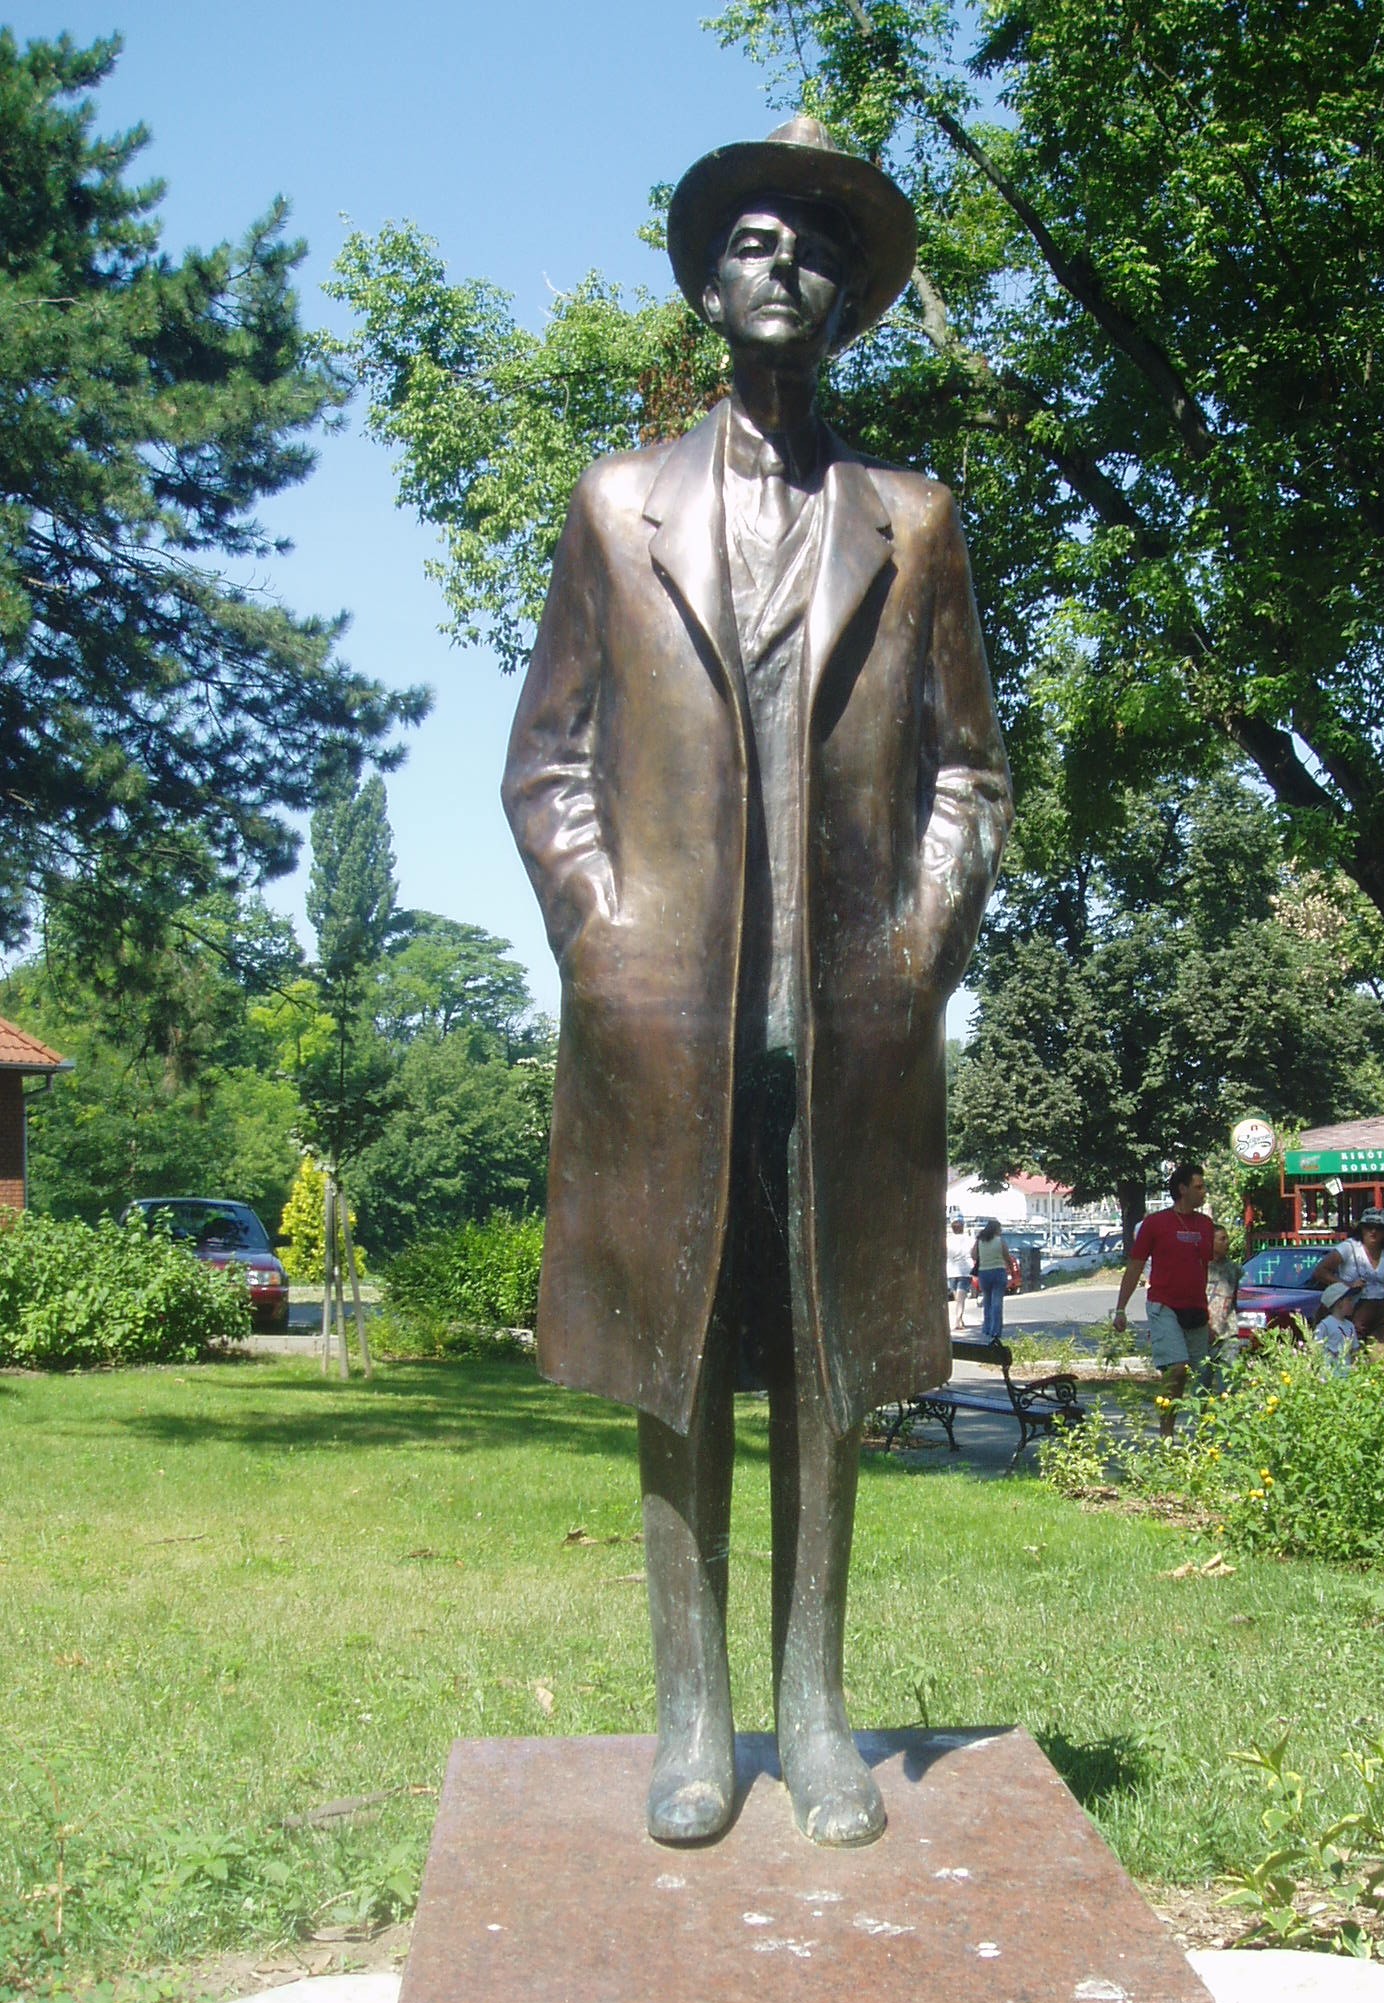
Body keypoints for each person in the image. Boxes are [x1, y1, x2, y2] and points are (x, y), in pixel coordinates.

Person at [503, 116, 1012, 1850]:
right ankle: (689, 1713)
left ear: (850, 299)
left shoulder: (914, 522)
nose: (779, 262)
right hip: (666, 1025)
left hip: (846, 1024)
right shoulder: (616, 506)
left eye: (813, 245)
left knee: (823, 1370)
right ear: (708, 283)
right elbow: (547, 761)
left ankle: (812, 1708)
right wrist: (602, 936)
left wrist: (914, 949)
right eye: (749, 238)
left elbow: (968, 775)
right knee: (673, 1369)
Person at [1113, 1164, 1215, 1438]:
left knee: (1203, 1376)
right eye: (1198, 1187)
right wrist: (1121, 1309)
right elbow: (1135, 1265)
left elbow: (1206, 1270)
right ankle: (1166, 1433)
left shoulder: (1206, 1225)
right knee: (1177, 1368)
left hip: (1196, 1309)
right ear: (1182, 1189)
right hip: (1164, 1305)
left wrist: (1210, 1313)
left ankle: (1204, 1438)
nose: (1204, 1192)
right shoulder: (1156, 1224)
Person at [1331, 1207, 1384, 1347]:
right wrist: (1347, 1285)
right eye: (1368, 1227)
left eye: (1379, 1228)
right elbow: (1321, 1272)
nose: (1373, 1231)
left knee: (1381, 1359)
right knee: (1352, 1356)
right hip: (1352, 1310)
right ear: (1361, 1229)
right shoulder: (1348, 1248)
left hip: (1379, 1311)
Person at [974, 1218, 1011, 1342]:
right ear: (996, 1229)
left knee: (987, 1301)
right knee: (997, 1302)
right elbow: (1007, 1256)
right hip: (998, 1271)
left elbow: (973, 1255)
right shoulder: (1000, 1241)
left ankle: (987, 1328)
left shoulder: (980, 1241)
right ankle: (995, 1330)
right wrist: (1010, 1268)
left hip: (984, 1273)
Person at [1313, 1278, 1359, 1367]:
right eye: (1349, 1300)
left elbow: (1355, 1350)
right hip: (1330, 1371)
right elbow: (1316, 1346)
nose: (1352, 1303)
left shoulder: (1350, 1325)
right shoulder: (1325, 1325)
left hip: (1347, 1371)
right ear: (1339, 1303)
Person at [1206, 1223, 1239, 1344]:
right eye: (1222, 1239)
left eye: (1227, 1238)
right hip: (1205, 1331)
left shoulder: (1233, 1269)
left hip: (1229, 1331)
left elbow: (1234, 1298)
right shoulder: (1201, 1267)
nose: (1227, 1242)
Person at [945, 1213, 975, 1333]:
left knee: (957, 1298)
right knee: (961, 1299)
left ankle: (960, 1319)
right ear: (963, 1226)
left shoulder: (947, 1240)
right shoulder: (970, 1240)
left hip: (951, 1271)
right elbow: (974, 1255)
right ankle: (958, 1320)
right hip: (965, 1271)